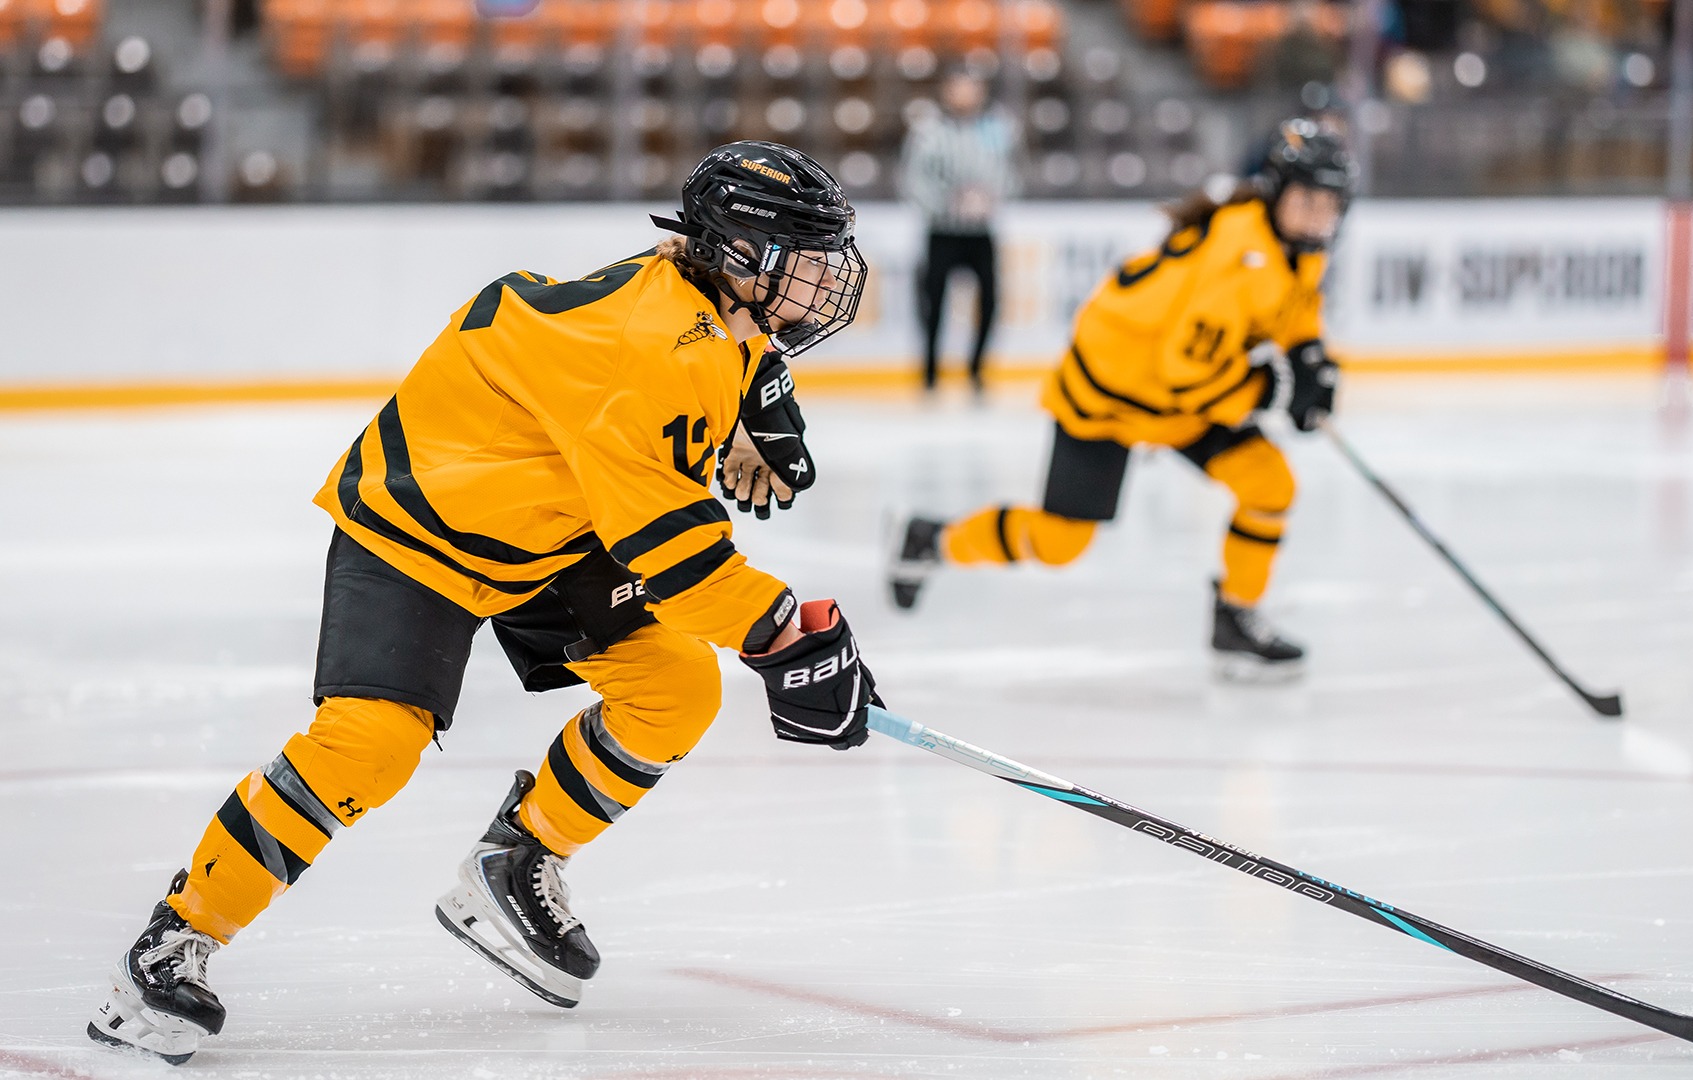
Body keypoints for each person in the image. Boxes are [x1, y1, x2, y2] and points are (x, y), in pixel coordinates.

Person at [86, 142, 884, 1064]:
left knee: (674, 686)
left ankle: (517, 861)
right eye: (807, 255)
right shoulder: (650, 351)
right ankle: (176, 939)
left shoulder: (693, 301)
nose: (830, 278)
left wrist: (764, 394)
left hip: (549, 521)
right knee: (371, 744)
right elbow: (676, 556)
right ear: (741, 258)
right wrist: (784, 636)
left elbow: (719, 364)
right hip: (422, 521)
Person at [888, 119, 1350, 678]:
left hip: (1177, 400)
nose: (1321, 214)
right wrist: (1270, 390)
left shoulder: (1294, 244)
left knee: (1269, 484)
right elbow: (1186, 373)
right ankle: (931, 541)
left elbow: (1295, 307)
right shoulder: (1238, 258)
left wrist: (1308, 355)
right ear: (1276, 191)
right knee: (1059, 544)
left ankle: (1236, 615)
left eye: (1332, 203)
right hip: (1110, 396)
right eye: (1309, 199)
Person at [899, 71, 1019, 393]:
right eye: (959, 89)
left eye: (972, 88)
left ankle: (976, 368)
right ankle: (930, 371)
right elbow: (913, 178)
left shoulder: (996, 128)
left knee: (990, 301)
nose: (966, 95)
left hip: (981, 232)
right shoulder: (929, 131)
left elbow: (1011, 171)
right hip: (942, 232)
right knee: (934, 302)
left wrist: (992, 199)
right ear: (947, 91)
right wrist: (945, 204)